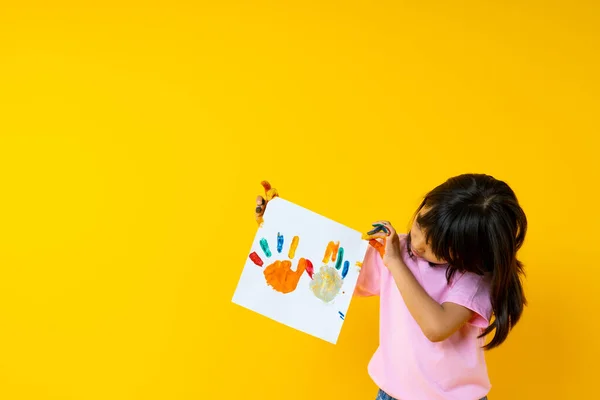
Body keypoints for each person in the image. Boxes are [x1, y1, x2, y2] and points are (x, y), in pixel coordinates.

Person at [254, 174, 527, 400]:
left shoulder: (473, 278)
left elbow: (436, 327)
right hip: (392, 395)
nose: (418, 244)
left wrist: (396, 263)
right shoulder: (398, 248)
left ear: (468, 254)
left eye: (438, 249)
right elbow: (341, 271)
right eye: (420, 226)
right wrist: (279, 223)